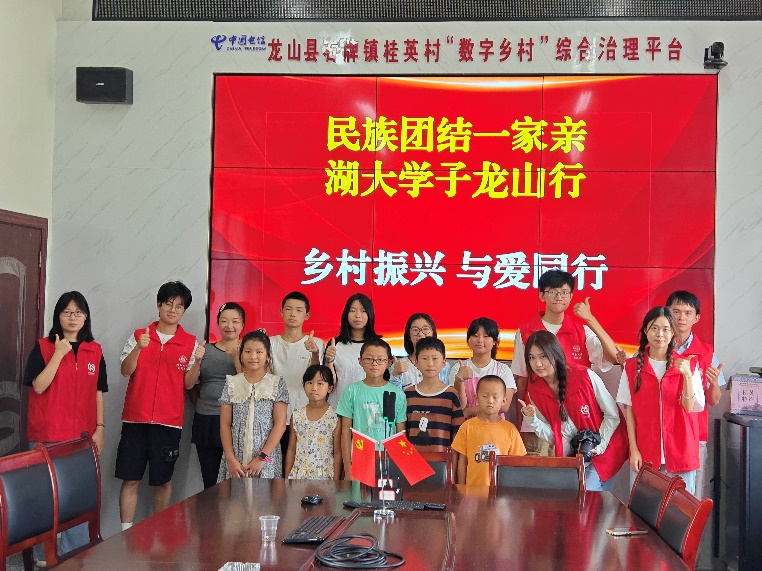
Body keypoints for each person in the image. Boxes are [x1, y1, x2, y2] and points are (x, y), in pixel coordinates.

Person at [23, 291, 108, 562]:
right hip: (47, 434)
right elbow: (38, 386)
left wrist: (100, 428)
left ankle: (74, 555)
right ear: (58, 316)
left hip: (81, 438)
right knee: (44, 499)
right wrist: (59, 354)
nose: (72, 318)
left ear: (86, 316)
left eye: (78, 312)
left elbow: (98, 391)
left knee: (77, 498)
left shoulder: (95, 350)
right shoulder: (42, 347)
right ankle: (41, 556)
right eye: (67, 312)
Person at [116, 281, 204, 530]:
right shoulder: (139, 335)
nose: (173, 310)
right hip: (135, 419)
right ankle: (125, 533)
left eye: (179, 306)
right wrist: (138, 348)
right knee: (130, 479)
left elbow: (188, 384)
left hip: (168, 422)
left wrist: (198, 362)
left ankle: (160, 532)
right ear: (158, 305)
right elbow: (125, 371)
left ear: (184, 311)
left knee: (162, 481)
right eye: (168, 304)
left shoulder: (190, 342)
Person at [512, 269, 624, 453]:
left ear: (571, 296)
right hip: (540, 419)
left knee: (580, 470)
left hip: (579, 421)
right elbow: (522, 378)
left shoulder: (581, 331)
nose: (559, 297)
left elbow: (613, 357)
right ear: (541, 295)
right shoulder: (525, 331)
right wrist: (521, 422)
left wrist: (590, 318)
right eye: (552, 291)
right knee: (537, 470)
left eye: (564, 292)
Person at [518, 330, 628, 491]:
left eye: (543, 356)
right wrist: (533, 420)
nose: (538, 363)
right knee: (580, 498)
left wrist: (599, 446)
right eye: (532, 358)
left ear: (555, 354)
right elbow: (555, 436)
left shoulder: (584, 376)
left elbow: (612, 415)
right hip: (578, 455)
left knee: (586, 494)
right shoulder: (534, 391)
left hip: (609, 444)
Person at [615, 307, 705, 494]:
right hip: (645, 454)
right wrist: (634, 450)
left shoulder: (689, 366)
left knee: (680, 510)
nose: (660, 334)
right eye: (654, 328)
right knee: (643, 509)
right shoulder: (632, 367)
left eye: (665, 329)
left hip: (681, 454)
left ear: (673, 333)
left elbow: (689, 407)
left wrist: (687, 376)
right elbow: (629, 410)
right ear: (646, 331)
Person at [666, 290, 726, 499]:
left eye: (687, 313)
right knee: (655, 499)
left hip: (694, 435)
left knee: (690, 500)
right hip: (661, 434)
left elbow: (714, 400)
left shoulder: (707, 353)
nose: (681, 317)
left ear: (697, 318)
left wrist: (713, 383)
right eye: (676, 311)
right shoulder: (654, 348)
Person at [218, 330, 289, 480]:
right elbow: (225, 424)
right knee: (235, 495)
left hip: (265, 459)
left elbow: (280, 425)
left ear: (267, 355)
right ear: (241, 355)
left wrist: (261, 458)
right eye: (248, 351)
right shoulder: (232, 383)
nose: (253, 356)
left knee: (264, 495)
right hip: (235, 459)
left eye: (259, 352)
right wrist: (230, 459)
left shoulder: (277, 383)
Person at [190, 302, 244, 489]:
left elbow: (247, 385)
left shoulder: (249, 352)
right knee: (210, 480)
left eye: (235, 321)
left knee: (235, 482)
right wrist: (202, 404)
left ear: (242, 325)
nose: (229, 326)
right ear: (218, 324)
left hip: (237, 420)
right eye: (224, 321)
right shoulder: (205, 350)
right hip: (207, 420)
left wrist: (236, 357)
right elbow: (189, 385)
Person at [336, 338, 406, 480]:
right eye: (369, 359)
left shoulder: (397, 394)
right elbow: (345, 432)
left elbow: (400, 434)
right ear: (360, 361)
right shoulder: (351, 391)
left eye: (380, 360)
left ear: (389, 363)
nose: (374, 363)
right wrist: (348, 468)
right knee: (357, 494)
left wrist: (399, 467)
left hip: (388, 461)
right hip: (359, 459)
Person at [269, 291, 324, 471]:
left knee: (301, 468)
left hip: (304, 416)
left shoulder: (316, 343)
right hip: (275, 418)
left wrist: (315, 354)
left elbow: (317, 378)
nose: (293, 314)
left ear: (307, 315)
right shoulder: (270, 343)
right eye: (288, 309)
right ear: (281, 312)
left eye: (299, 310)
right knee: (276, 468)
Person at [451, 375, 526, 486]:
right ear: (476, 398)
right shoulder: (467, 427)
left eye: (495, 397)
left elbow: (516, 464)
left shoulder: (510, 430)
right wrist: (461, 488)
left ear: (504, 400)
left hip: (501, 491)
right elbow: (462, 461)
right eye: (485, 396)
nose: (490, 401)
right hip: (472, 491)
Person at [405, 337, 464, 452]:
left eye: (435, 358)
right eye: (424, 358)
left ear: (443, 363)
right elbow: (403, 430)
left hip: (443, 460)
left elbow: (457, 433)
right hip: (413, 460)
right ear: (416, 362)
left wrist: (453, 461)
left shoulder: (451, 394)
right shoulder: (408, 394)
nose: (430, 364)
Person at [449, 317, 516, 419]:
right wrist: (459, 381)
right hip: (465, 425)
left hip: (494, 426)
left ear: (494, 341)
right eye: (475, 335)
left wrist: (470, 411)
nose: (480, 340)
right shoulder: (458, 367)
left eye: (485, 336)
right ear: (468, 340)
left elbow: (504, 406)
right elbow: (458, 406)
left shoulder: (503, 370)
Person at [285, 365, 341, 480]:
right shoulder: (297, 416)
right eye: (310, 383)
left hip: (324, 477)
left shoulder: (334, 418)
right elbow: (291, 449)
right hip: (299, 476)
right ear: (304, 385)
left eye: (320, 383)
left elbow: (337, 453)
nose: (314, 388)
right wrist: (286, 479)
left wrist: (336, 482)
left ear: (330, 388)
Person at [324, 293, 380, 407]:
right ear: (346, 314)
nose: (357, 315)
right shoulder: (335, 344)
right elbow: (328, 383)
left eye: (363, 311)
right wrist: (328, 361)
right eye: (353, 310)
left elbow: (384, 380)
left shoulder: (378, 346)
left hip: (369, 408)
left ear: (370, 314)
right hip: (339, 407)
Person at [390, 312, 451, 389]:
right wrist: (396, 374)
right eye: (415, 330)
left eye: (425, 329)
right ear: (409, 335)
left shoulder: (444, 365)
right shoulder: (398, 365)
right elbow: (393, 394)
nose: (421, 334)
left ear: (433, 332)